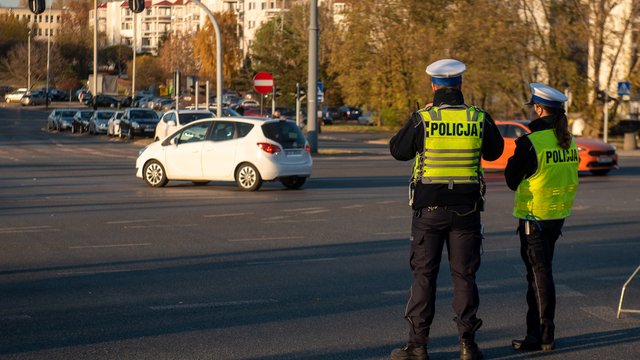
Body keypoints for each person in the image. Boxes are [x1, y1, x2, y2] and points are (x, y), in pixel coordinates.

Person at [389, 59, 504, 360]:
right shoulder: (478, 118)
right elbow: (495, 152)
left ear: (434, 85)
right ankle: (468, 344)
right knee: (464, 276)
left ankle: (418, 346)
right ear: (461, 85)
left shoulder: (424, 118)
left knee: (424, 277)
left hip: (429, 211)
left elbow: (398, 150)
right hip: (466, 210)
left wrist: (418, 119)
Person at [505, 83, 578, 352]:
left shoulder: (531, 142)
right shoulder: (568, 141)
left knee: (538, 277)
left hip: (534, 218)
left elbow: (512, 180)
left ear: (538, 108)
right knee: (540, 275)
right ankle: (537, 332)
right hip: (556, 217)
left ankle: (543, 335)